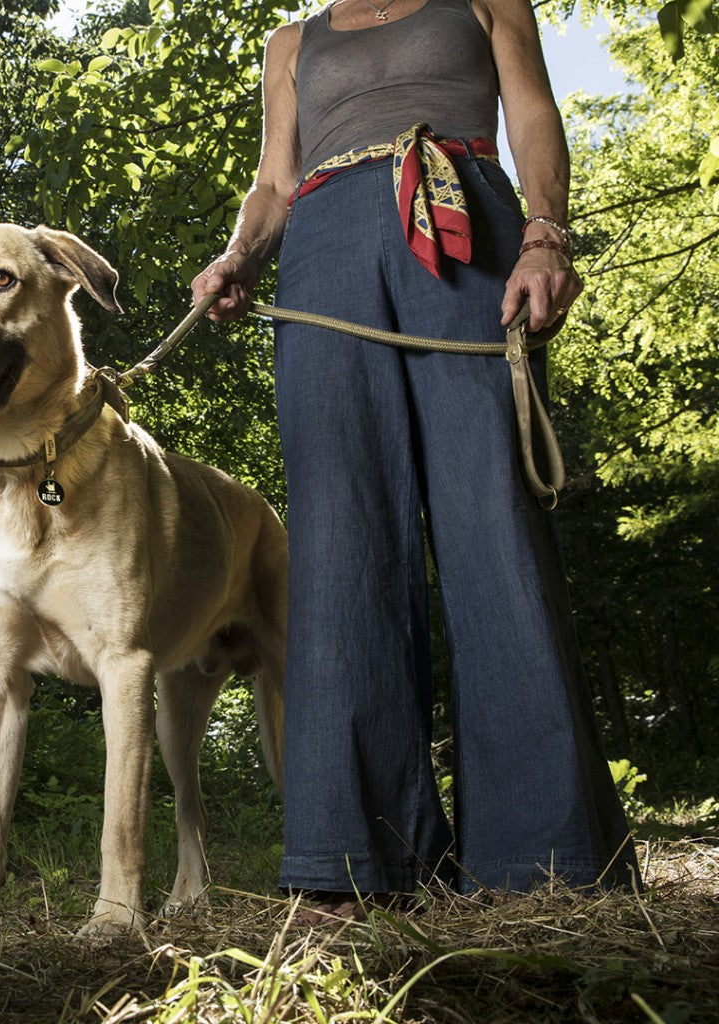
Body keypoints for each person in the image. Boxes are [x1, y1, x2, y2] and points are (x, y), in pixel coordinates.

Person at [191, 0, 640, 920]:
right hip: (323, 252)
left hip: (461, 218)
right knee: (340, 538)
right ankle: (352, 861)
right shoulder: (291, 44)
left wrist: (547, 237)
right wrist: (239, 256)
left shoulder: (483, 2)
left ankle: (544, 856)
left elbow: (534, 111)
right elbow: (274, 181)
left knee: (494, 520)